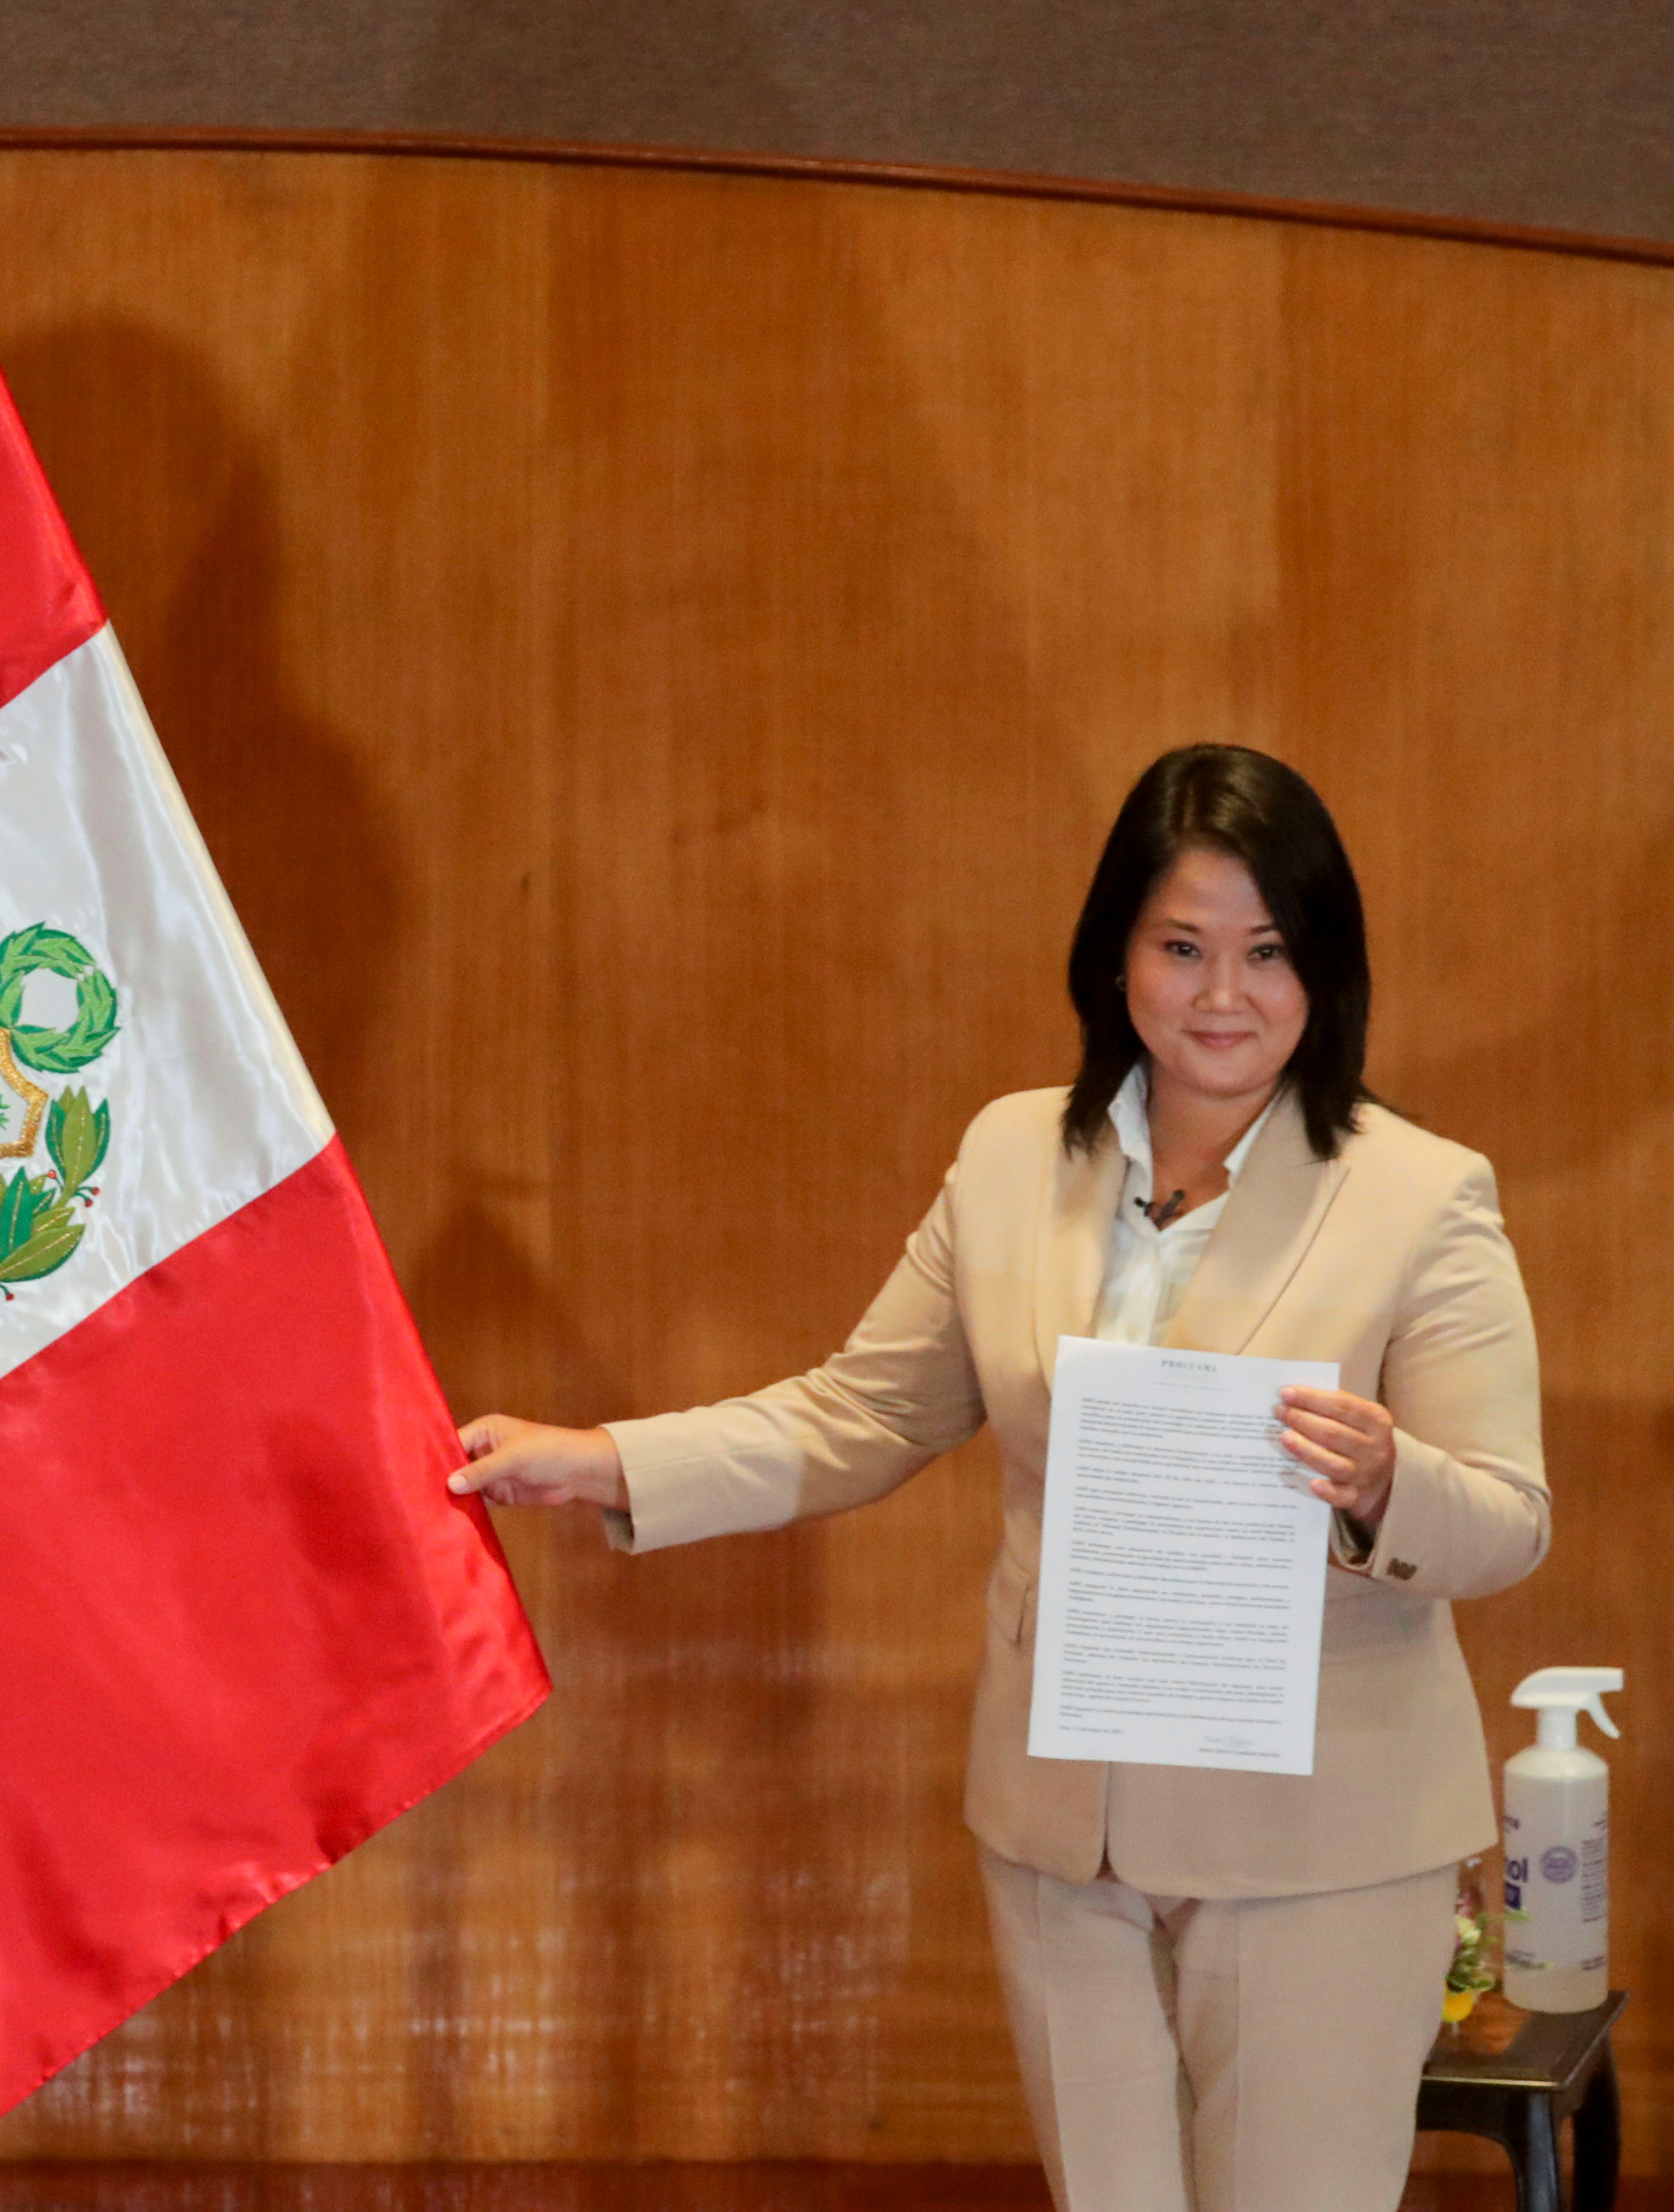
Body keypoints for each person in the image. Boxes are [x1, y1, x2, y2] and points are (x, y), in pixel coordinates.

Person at [453, 745, 1544, 2212]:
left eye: (1266, 952)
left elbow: (1504, 1518)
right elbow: (860, 1412)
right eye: (1179, 947)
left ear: (1323, 967)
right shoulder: (1009, 1155)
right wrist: (605, 1461)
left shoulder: (1421, 1191)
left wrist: (1379, 1484)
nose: (1222, 994)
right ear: (1113, 957)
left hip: (1316, 1837)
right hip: (1057, 1827)